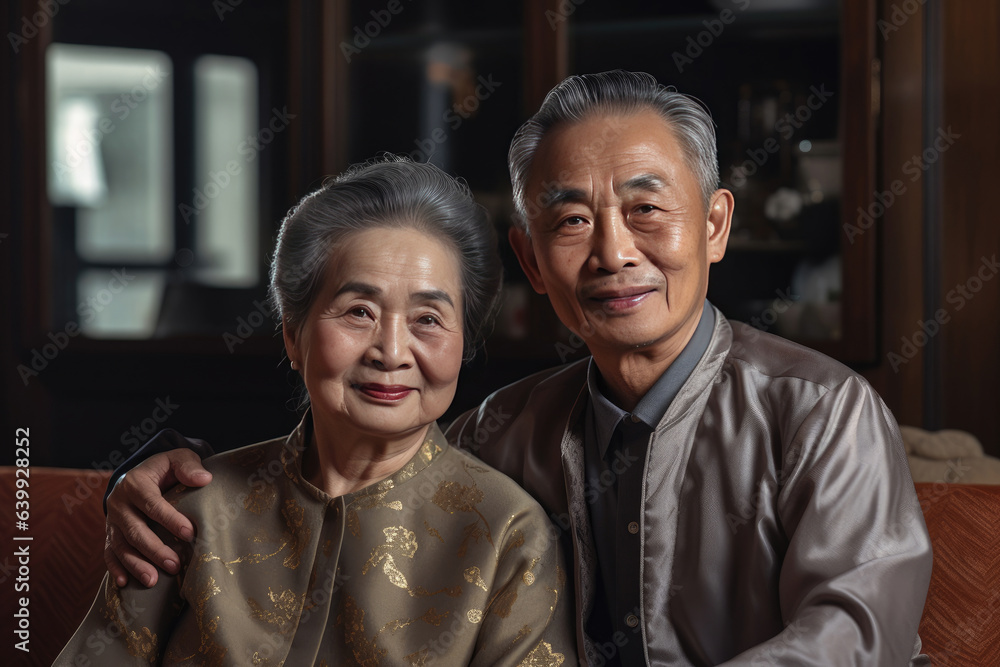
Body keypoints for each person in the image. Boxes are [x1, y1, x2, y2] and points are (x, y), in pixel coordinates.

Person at [104, 71, 933, 666]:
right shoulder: (503, 428)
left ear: (715, 225)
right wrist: (154, 473)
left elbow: (853, 633)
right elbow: (364, 465)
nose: (613, 251)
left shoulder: (822, 413)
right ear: (532, 261)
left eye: (647, 209)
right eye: (571, 220)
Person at [56, 158, 575, 666]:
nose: (391, 352)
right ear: (293, 335)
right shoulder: (192, 513)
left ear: (463, 345)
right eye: (358, 313)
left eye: (428, 319)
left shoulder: (508, 535)